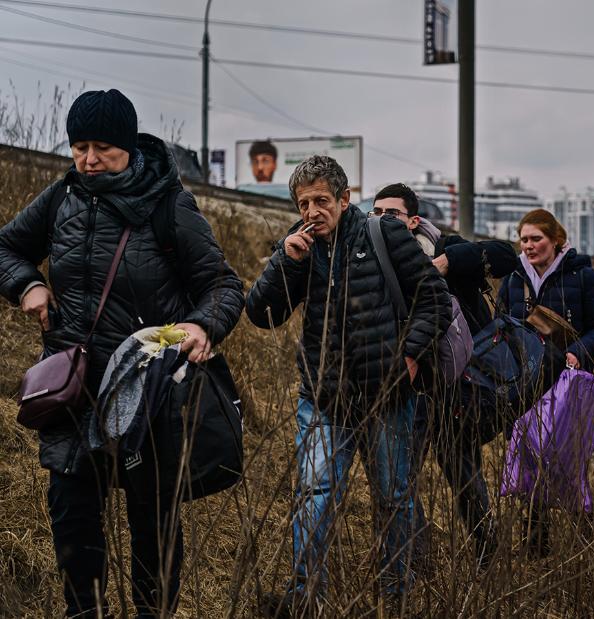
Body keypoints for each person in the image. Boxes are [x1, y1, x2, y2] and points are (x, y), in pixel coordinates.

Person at [0, 89, 245, 617]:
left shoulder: (168, 204)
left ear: (129, 148)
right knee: (72, 517)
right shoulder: (62, 197)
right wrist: (27, 286)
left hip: (148, 394)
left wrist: (202, 326)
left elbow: (224, 285)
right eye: (79, 146)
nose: (88, 160)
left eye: (102, 149)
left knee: (152, 523)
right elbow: (5, 246)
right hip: (74, 387)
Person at [245, 157, 450, 612]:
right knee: (315, 495)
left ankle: (397, 596)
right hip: (324, 399)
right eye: (304, 203)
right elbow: (262, 315)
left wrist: (411, 361)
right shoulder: (300, 248)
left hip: (388, 395)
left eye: (321, 200)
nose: (313, 211)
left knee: (394, 498)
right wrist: (286, 262)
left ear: (344, 198)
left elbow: (433, 301)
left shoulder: (383, 233)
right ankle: (303, 598)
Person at [372, 182, 518, 568]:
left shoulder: (441, 246)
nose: (383, 220)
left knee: (463, 474)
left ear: (413, 220)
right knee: (399, 477)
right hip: (409, 388)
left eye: (393, 214)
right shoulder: (370, 256)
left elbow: (506, 256)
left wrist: (449, 262)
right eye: (377, 213)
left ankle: (489, 554)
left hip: (460, 387)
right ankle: (417, 562)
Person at [497, 208, 594, 556]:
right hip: (524, 382)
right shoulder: (514, 278)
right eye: (524, 239)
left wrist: (578, 351)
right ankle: (536, 544)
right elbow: (499, 324)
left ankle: (587, 526)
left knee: (563, 458)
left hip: (567, 383)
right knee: (530, 456)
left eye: (537, 239)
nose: (529, 246)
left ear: (556, 240)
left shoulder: (582, 276)